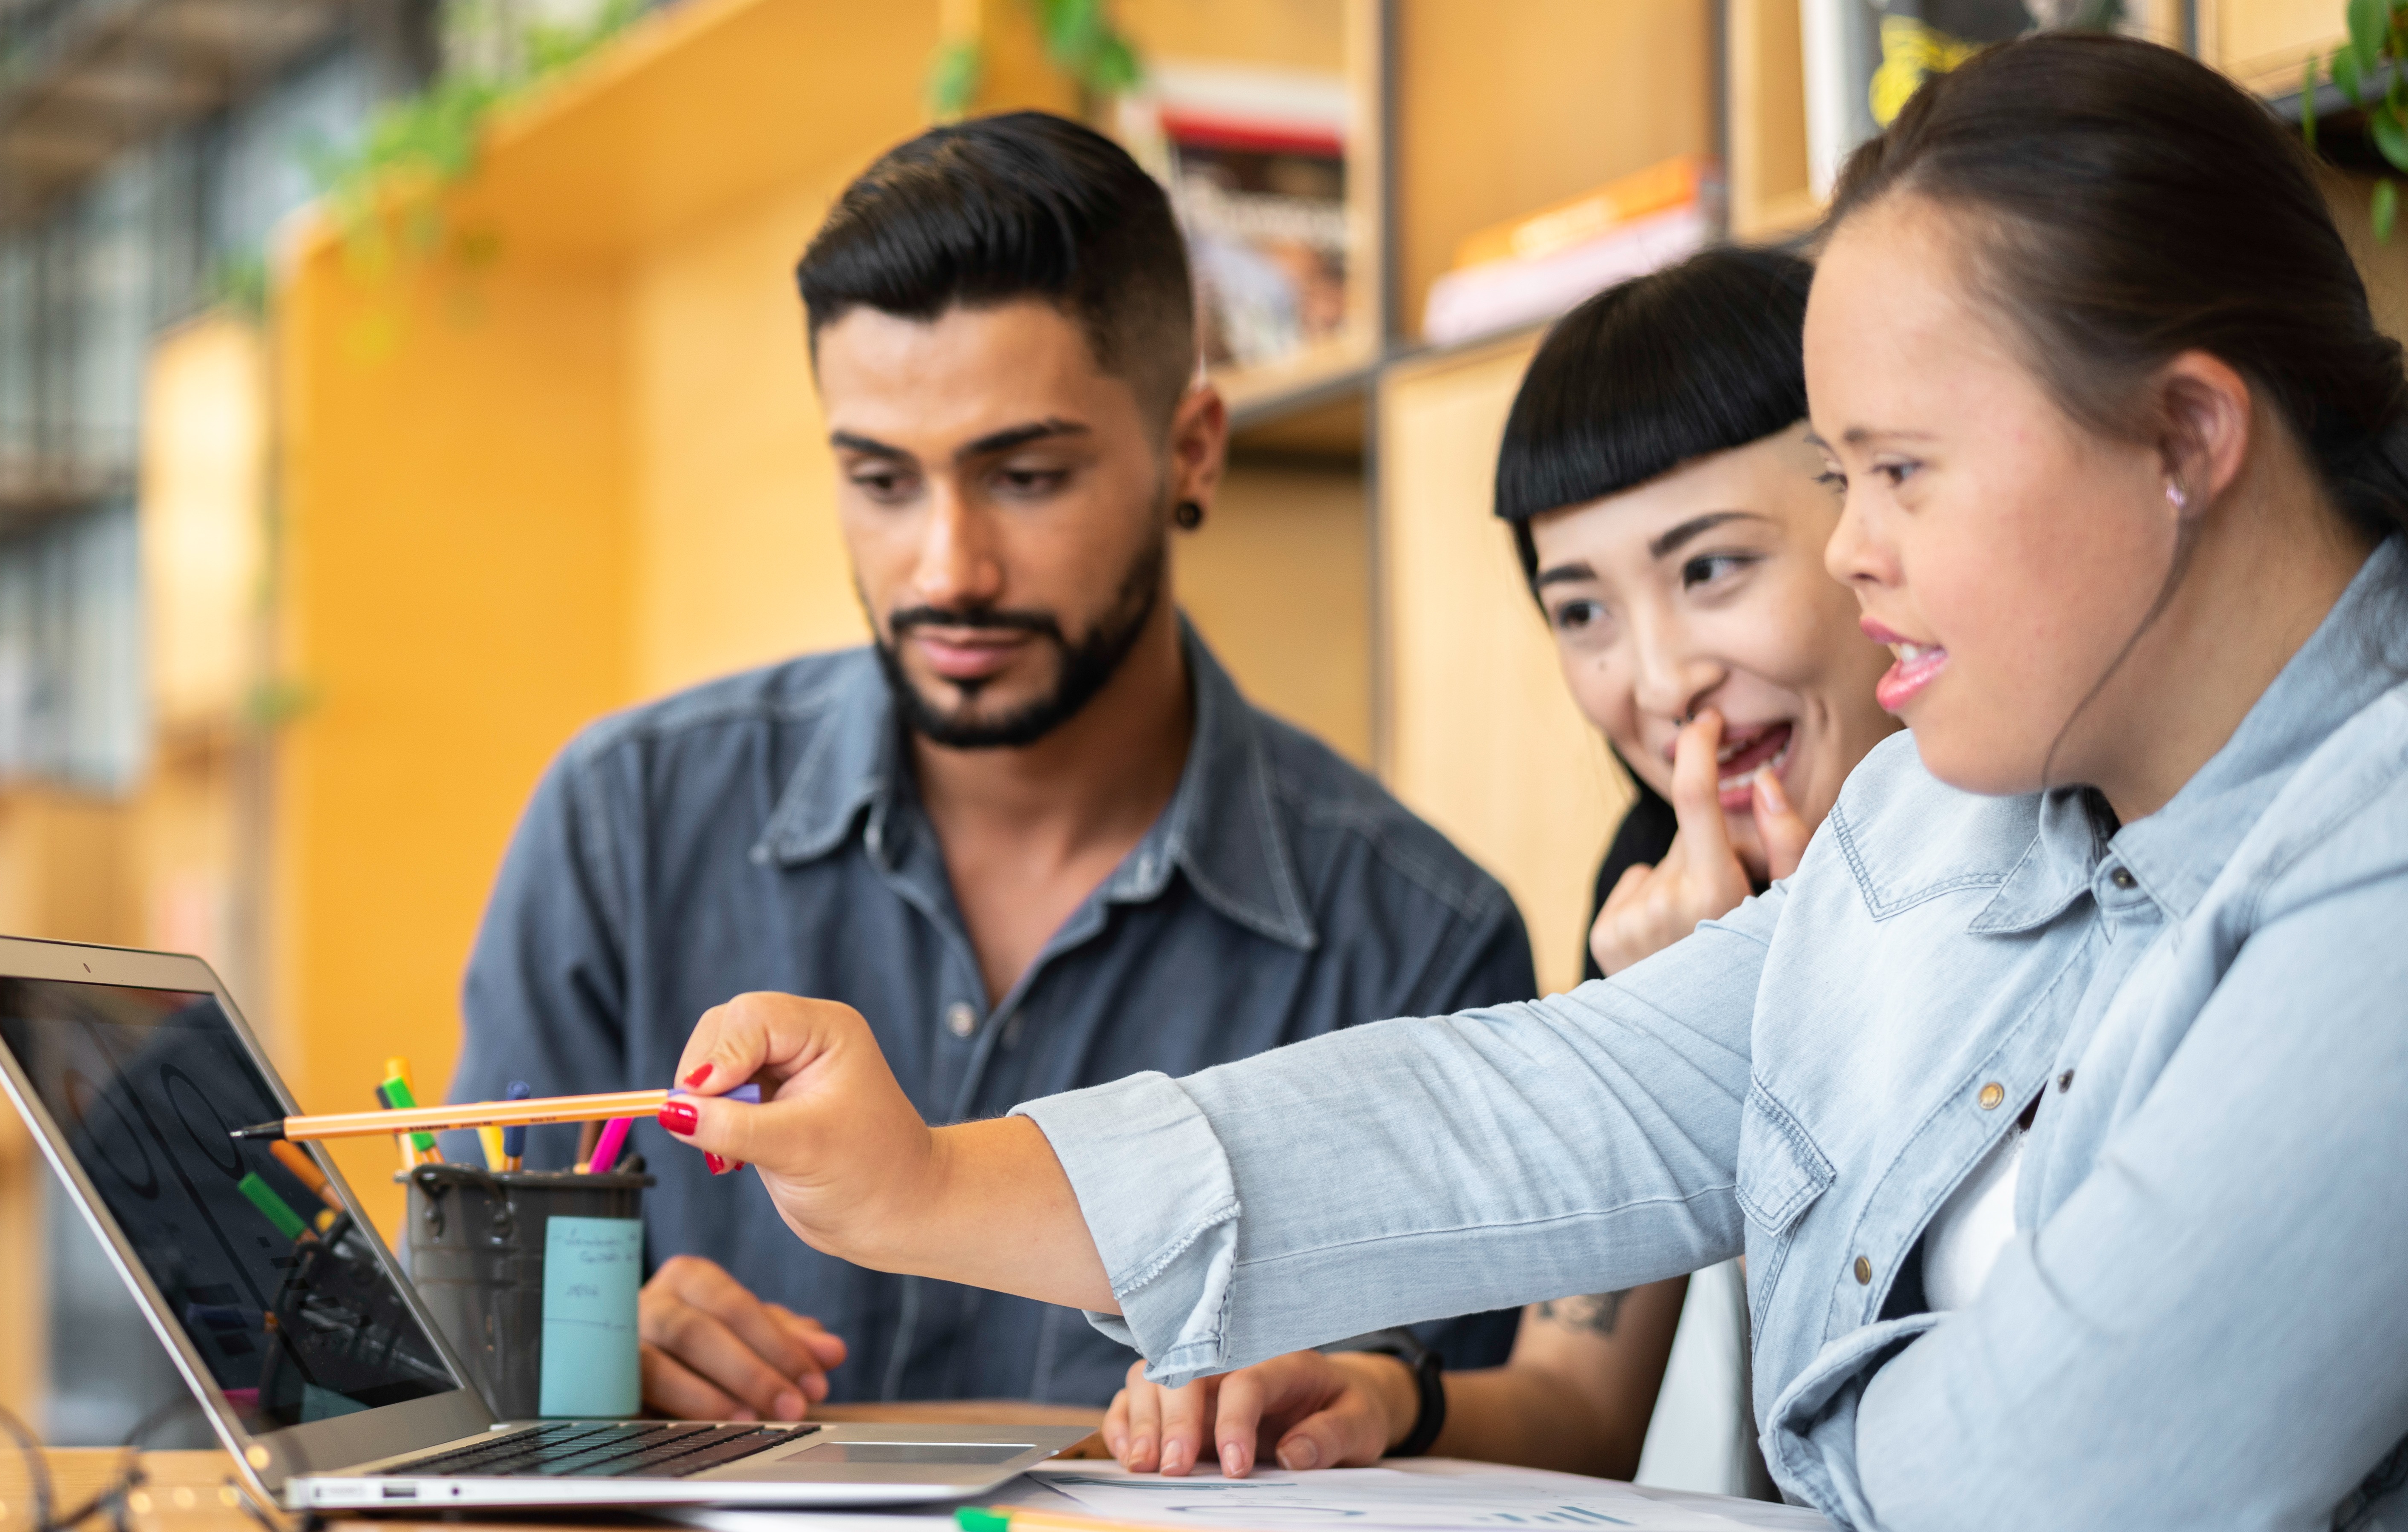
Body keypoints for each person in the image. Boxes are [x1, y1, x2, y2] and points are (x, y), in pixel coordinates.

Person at [658, 35, 2408, 1526]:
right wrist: (925, 1183)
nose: (1853, 553)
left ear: (2184, 436)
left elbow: (2048, 1483)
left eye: (1895, 472)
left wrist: (1794, 1430)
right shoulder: (1944, 816)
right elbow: (1524, 1109)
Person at [446, 111, 1540, 1421]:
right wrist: (572, 1353)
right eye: (881, 481)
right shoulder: (624, 823)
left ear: (1192, 448)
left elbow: (1452, 1448)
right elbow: (450, 1343)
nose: (946, 569)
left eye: (1023, 476)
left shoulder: (1418, 946)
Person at [1105, 249, 1905, 1486]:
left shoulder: (2028, 841)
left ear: (1878, 519)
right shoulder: (1657, 881)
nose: (1654, 680)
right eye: (1582, 610)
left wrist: (1779, 1023)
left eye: (1709, 569)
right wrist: (1382, 1392)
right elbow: (1579, 1398)